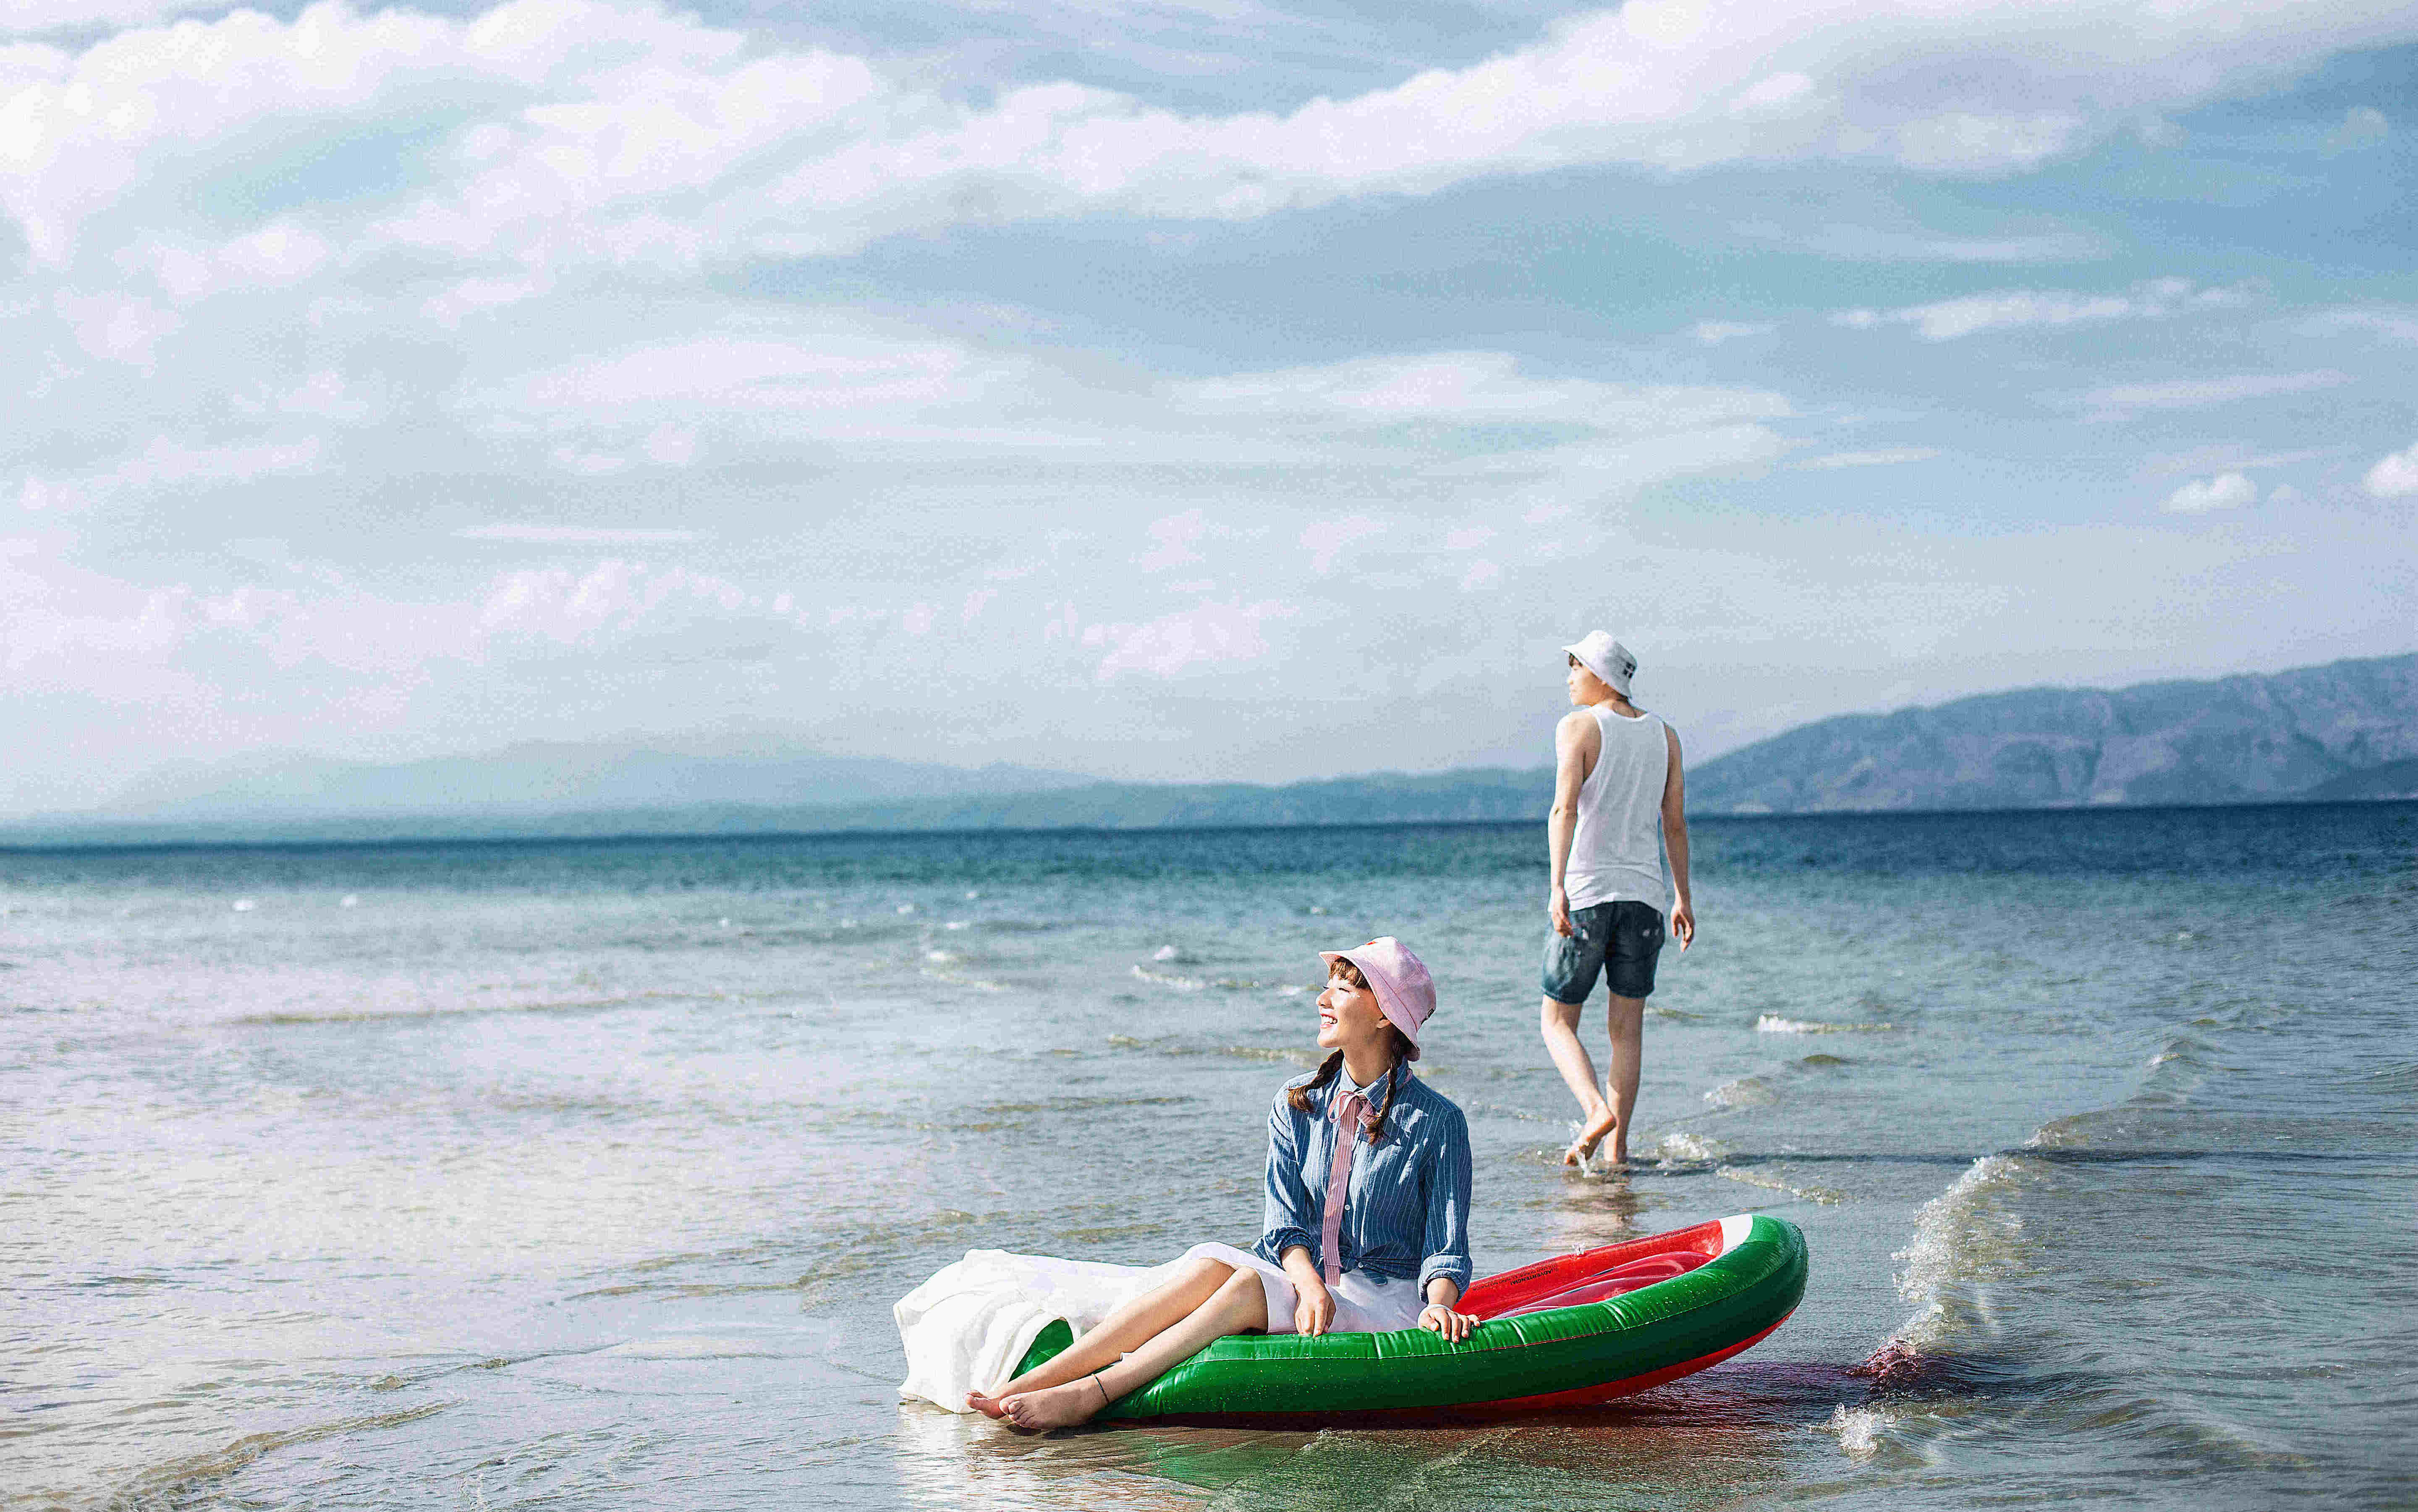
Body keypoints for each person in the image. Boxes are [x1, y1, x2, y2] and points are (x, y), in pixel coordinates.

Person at [966, 937, 1476, 1431]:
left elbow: (1445, 1247)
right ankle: (1027, 1383)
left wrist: (1439, 1304)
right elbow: (1285, 1224)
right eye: (1326, 985)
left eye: (1343, 989)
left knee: (1247, 1284)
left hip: (1384, 1298)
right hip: (1313, 1279)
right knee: (1212, 1265)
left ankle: (1091, 1394)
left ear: (1385, 1013)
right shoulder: (1296, 1101)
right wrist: (1309, 1282)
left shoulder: (1439, 1121)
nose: (1322, 998)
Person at [1540, 631, 1694, 1169]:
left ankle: (1594, 1109)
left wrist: (1557, 885)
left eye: (1575, 665)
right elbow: (1673, 823)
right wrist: (1682, 897)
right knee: (1627, 1028)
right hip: (1646, 899)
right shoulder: (1666, 736)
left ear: (1601, 674)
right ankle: (1618, 1149)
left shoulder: (1578, 726)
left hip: (1587, 892)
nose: (1569, 676)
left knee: (1556, 1020)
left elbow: (1565, 810)